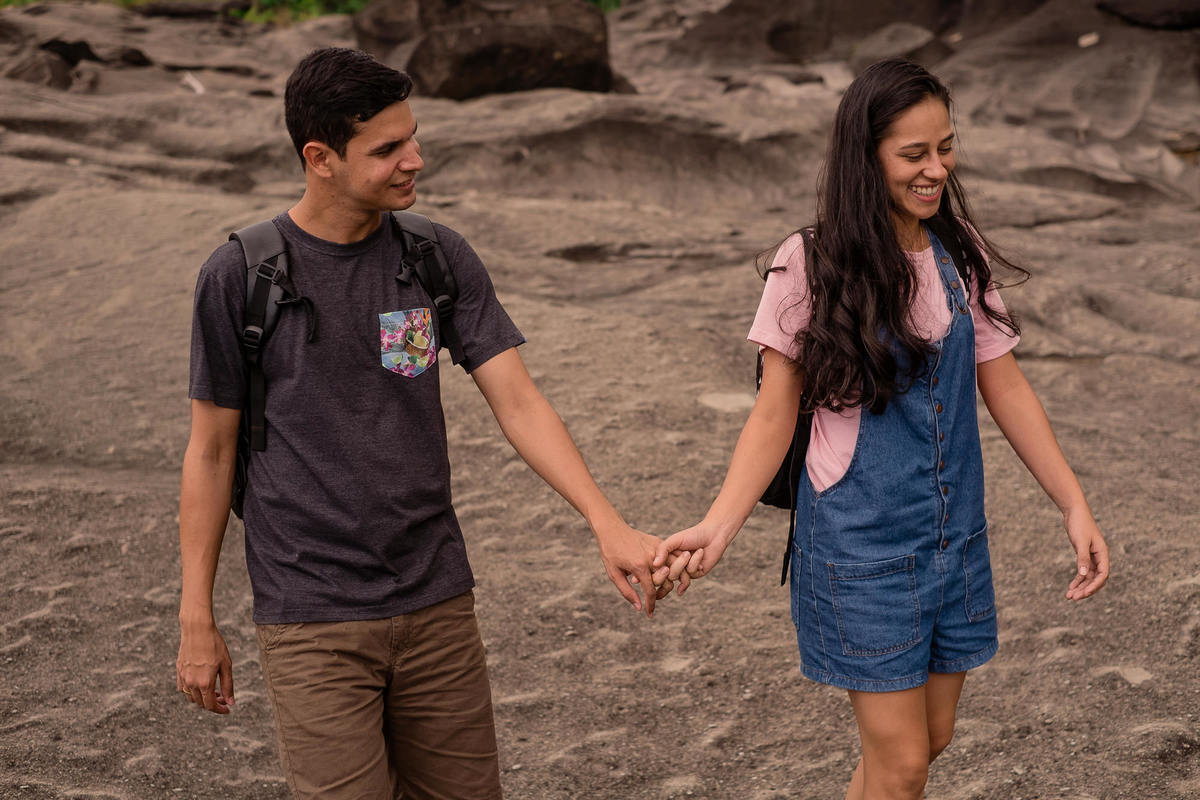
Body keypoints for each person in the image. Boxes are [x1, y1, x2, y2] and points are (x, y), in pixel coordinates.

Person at [176, 47, 687, 800]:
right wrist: (196, 617)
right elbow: (211, 452)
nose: (415, 159)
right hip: (310, 614)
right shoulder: (242, 277)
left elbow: (517, 399)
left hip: (438, 600)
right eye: (387, 149)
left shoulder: (433, 257)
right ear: (320, 157)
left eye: (412, 136)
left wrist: (604, 521)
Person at [654, 59, 1110, 800]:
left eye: (946, 147)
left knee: (928, 744)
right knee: (901, 768)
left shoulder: (958, 246)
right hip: (861, 546)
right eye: (913, 154)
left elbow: (1004, 382)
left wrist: (1072, 501)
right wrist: (718, 526)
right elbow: (774, 412)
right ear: (864, 155)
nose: (936, 169)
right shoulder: (807, 262)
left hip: (955, 538)